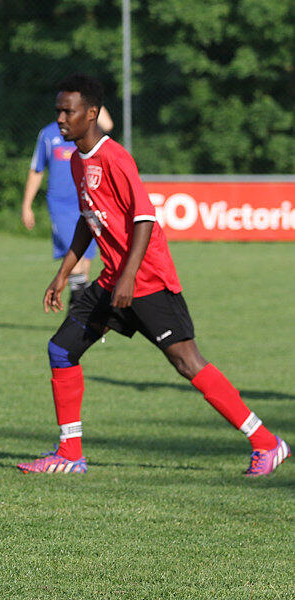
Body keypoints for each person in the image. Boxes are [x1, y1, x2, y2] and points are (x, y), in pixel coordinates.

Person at [16, 73, 289, 476]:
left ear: (91, 113)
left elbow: (144, 218)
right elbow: (89, 220)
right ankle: (70, 454)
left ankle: (267, 443)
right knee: (61, 350)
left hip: (147, 280)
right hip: (113, 280)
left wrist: (128, 278)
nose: (60, 119)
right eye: (58, 110)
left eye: (67, 111)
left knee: (187, 362)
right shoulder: (76, 160)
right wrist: (63, 274)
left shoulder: (115, 157)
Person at [20, 107, 113, 305]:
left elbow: (108, 124)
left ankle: (79, 309)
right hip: (60, 205)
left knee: (85, 264)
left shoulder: (86, 130)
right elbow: (36, 170)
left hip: (88, 203)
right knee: (75, 259)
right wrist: (27, 205)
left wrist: (93, 96)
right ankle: (82, 309)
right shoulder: (48, 134)